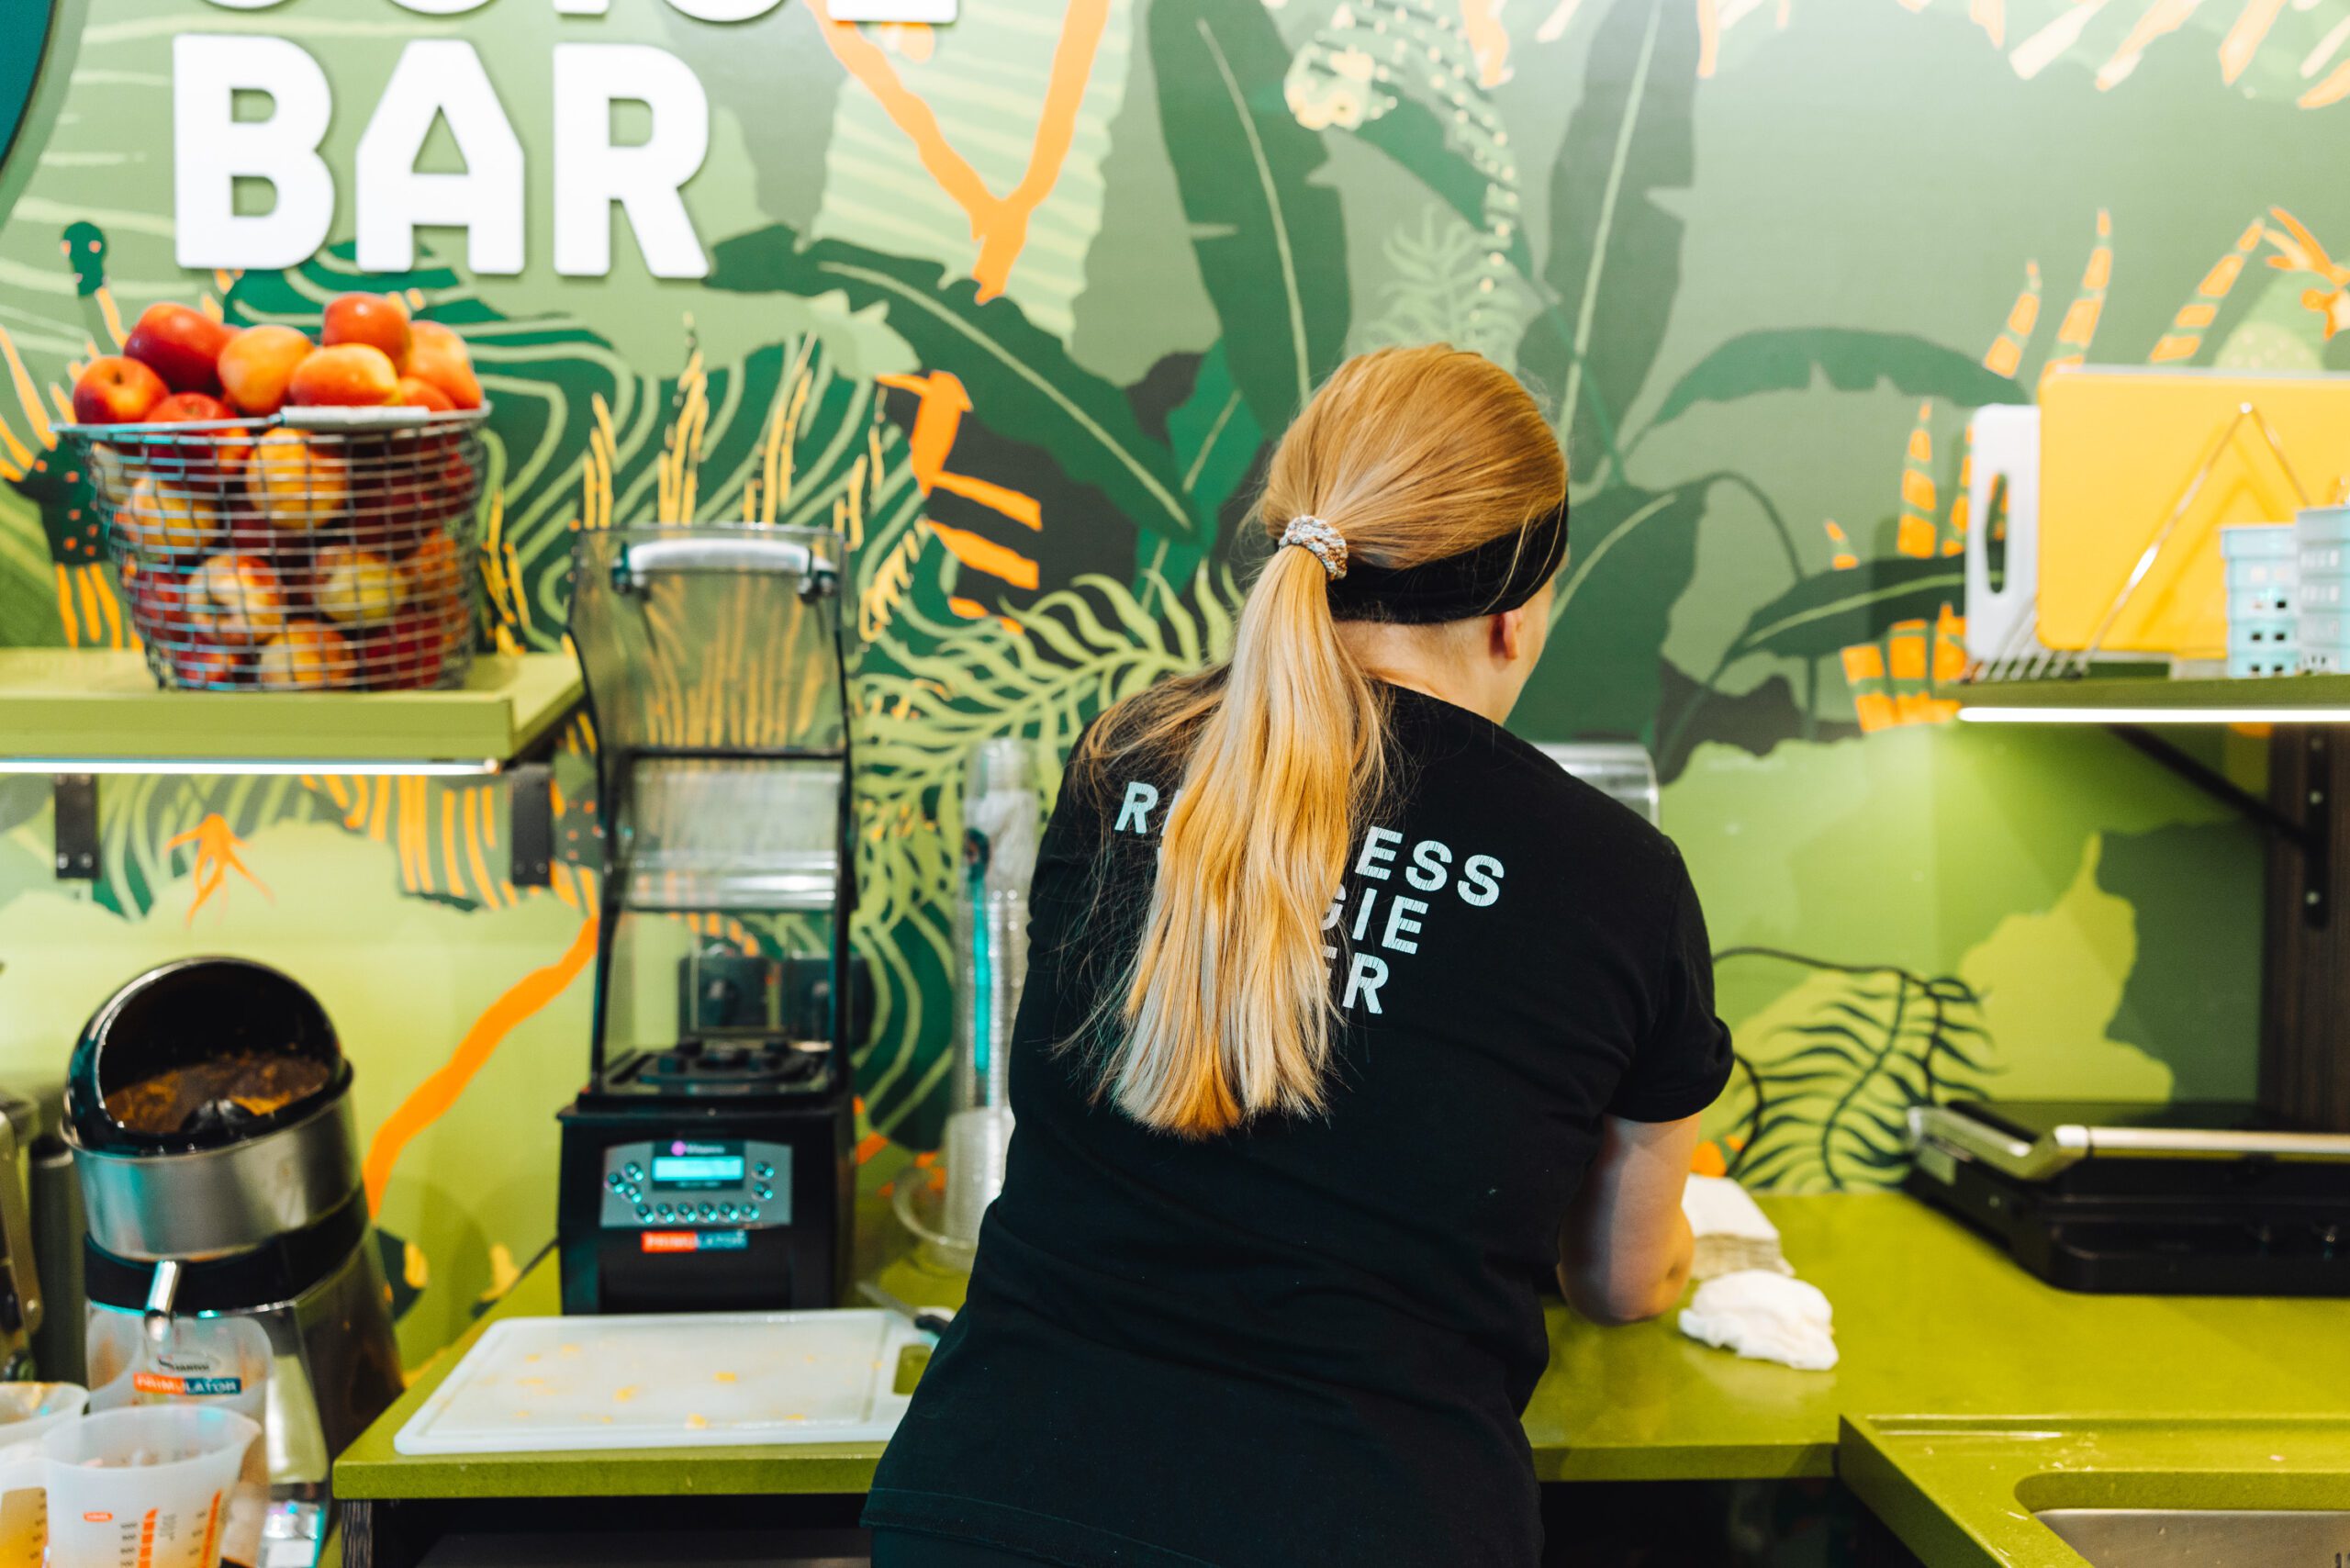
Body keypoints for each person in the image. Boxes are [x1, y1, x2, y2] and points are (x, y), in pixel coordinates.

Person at [864, 345, 1732, 1568]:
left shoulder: (1124, 762)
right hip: (1361, 1520)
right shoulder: (1616, 876)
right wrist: (1695, 1250)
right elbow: (1621, 1280)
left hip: (989, 1501)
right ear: (1517, 613)